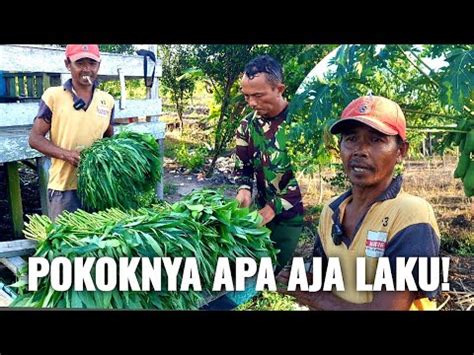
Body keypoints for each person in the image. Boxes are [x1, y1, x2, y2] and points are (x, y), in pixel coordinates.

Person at [278, 95, 441, 310]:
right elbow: (324, 281)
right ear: (340, 148)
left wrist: (313, 298)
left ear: (400, 151)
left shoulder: (410, 215)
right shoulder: (331, 211)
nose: (360, 151)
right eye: (351, 139)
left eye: (376, 140)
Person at [235, 55, 304, 274]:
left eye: (258, 95)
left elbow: (308, 177)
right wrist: (244, 188)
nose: (252, 103)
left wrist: (274, 208)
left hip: (292, 216)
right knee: (256, 265)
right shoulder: (247, 125)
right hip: (262, 208)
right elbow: (243, 164)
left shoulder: (300, 126)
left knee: (276, 269)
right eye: (246, 96)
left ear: (279, 88)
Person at [29, 44, 115, 221]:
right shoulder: (54, 96)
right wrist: (66, 155)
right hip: (64, 188)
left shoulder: (107, 101)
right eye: (80, 63)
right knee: (67, 245)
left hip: (98, 187)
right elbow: (35, 139)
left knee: (99, 243)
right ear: (68, 64)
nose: (86, 69)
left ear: (99, 65)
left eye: (92, 63)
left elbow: (109, 140)